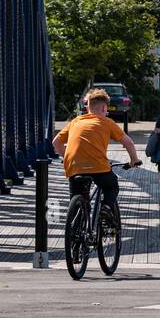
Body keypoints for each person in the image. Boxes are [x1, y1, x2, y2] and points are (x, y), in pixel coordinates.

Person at [53, 87, 142, 223]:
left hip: (74, 167)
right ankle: (106, 207)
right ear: (104, 108)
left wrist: (67, 157)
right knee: (112, 186)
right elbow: (128, 143)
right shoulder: (107, 123)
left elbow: (56, 142)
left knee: (77, 198)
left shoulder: (76, 121)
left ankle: (76, 233)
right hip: (99, 168)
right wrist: (134, 160)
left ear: (88, 107)